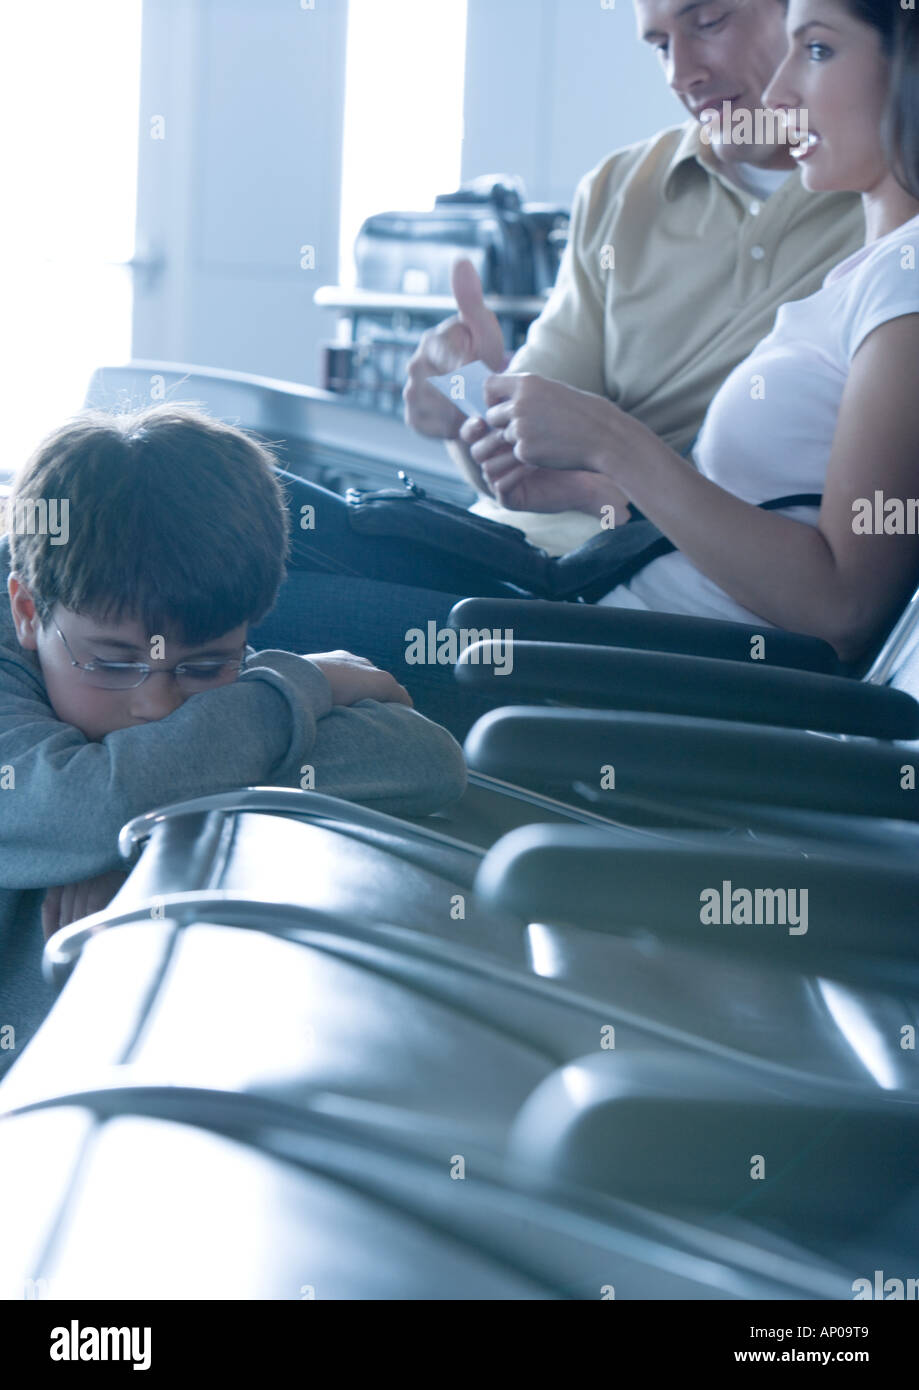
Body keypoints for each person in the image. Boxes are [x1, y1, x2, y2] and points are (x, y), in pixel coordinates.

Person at [0, 406, 467, 1074]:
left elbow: (425, 758)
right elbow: (85, 804)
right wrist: (298, 690)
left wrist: (140, 832)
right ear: (26, 613)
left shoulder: (224, 676)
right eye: (111, 662)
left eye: (202, 667)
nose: (158, 704)